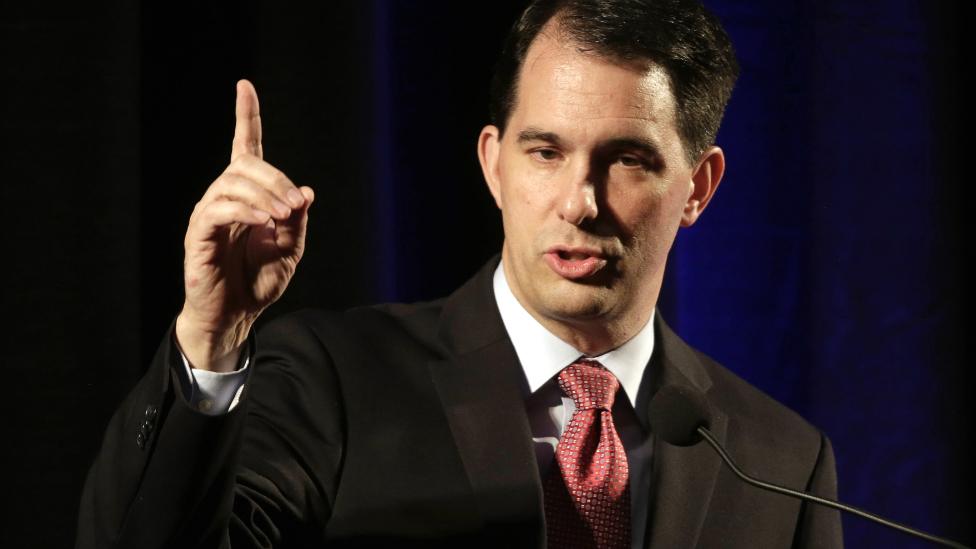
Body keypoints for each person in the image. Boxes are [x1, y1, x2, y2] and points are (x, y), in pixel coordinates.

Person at [78, 1, 844, 547]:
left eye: (629, 161)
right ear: (493, 164)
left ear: (698, 189)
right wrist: (211, 340)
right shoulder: (334, 381)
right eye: (545, 152)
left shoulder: (780, 460)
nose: (579, 202)